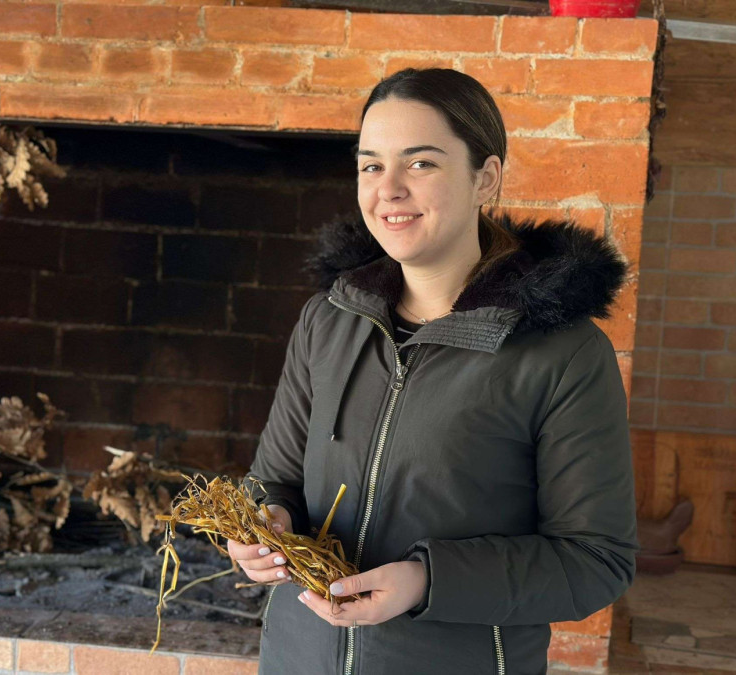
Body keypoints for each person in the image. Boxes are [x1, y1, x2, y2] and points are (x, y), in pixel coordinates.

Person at [227, 68, 639, 675]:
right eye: (371, 165)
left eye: (420, 164)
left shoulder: (565, 355)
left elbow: (595, 560)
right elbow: (274, 481)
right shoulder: (327, 321)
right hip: (298, 658)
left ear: (486, 177)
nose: (388, 189)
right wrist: (264, 526)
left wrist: (426, 581)